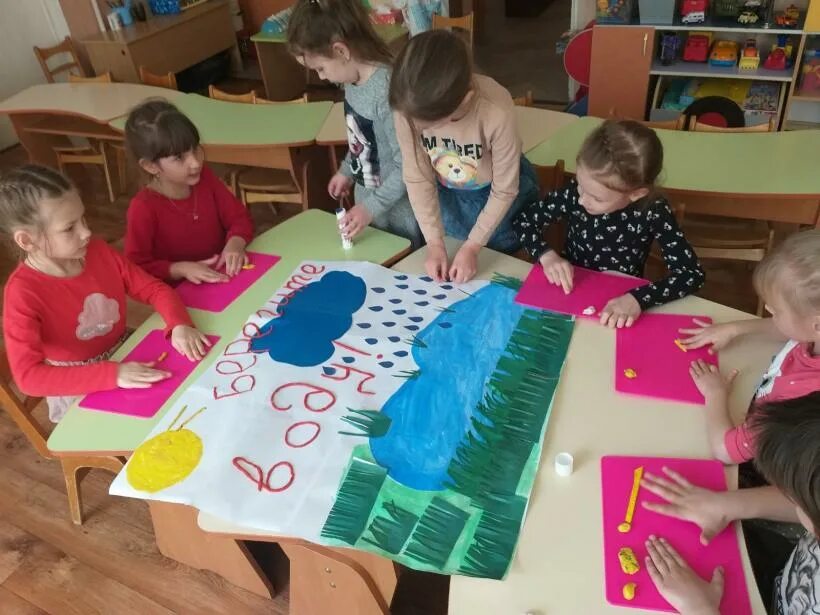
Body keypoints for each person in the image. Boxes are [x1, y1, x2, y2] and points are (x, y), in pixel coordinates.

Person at [1, 165, 209, 422]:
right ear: (27, 240)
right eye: (69, 228)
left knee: (191, 397)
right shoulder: (23, 293)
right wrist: (114, 375)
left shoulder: (98, 251)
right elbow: (29, 378)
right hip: (81, 385)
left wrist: (179, 324)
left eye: (83, 219)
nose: (86, 232)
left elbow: (154, 289)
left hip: (126, 351)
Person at [640, 392, 820, 614]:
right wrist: (726, 505)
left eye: (792, 495)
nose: (788, 496)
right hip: (782, 576)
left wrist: (699, 608)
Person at [513, 119, 704, 328]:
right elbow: (523, 221)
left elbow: (691, 274)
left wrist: (639, 299)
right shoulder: (574, 192)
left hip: (619, 299)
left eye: (597, 198)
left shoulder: (653, 210)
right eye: (580, 185)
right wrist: (546, 255)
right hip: (570, 289)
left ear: (636, 194)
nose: (582, 200)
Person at [390, 29, 539, 283]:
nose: (423, 131)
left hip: (496, 196)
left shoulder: (495, 110)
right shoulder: (407, 107)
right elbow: (417, 177)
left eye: (431, 125)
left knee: (498, 270)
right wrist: (434, 243)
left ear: (465, 99)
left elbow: (505, 189)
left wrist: (472, 246)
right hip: (448, 193)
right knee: (454, 267)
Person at [287, 0, 422, 248]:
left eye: (320, 68)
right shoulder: (351, 82)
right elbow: (361, 138)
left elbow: (409, 165)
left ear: (341, 51)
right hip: (370, 211)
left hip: (401, 216)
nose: (321, 77)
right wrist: (347, 170)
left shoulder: (387, 90)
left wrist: (369, 208)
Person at [682, 229, 820, 464]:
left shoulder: (802, 399)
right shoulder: (810, 332)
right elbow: (795, 331)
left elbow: (726, 451)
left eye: (776, 310)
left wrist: (715, 394)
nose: (768, 310)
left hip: (763, 465)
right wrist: (736, 328)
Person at [124, 99, 255, 283]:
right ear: (151, 166)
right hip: (182, 295)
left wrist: (235, 243)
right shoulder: (143, 208)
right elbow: (136, 267)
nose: (195, 163)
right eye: (179, 158)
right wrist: (179, 269)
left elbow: (239, 217)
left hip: (225, 278)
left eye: (195, 149)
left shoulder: (205, 178)